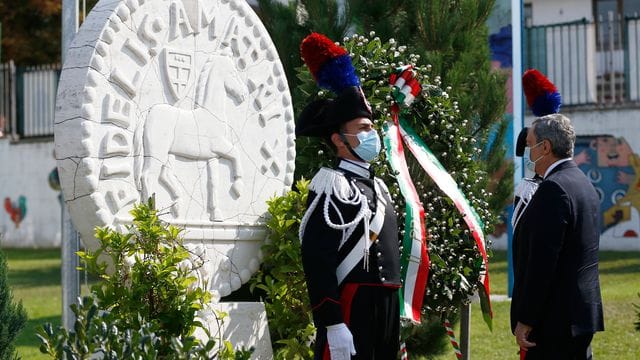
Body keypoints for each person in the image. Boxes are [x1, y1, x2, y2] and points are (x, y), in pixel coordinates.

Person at [296, 33, 401, 360]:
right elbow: (318, 259)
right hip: (352, 309)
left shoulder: (379, 187)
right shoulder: (332, 185)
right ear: (340, 140)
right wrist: (332, 323)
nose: (373, 135)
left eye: (372, 127)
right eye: (364, 128)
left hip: (384, 309)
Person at [511, 113, 604, 359]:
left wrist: (527, 318)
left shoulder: (553, 189)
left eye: (530, 145)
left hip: (554, 322)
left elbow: (542, 262)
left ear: (546, 147)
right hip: (578, 316)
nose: (529, 152)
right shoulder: (583, 183)